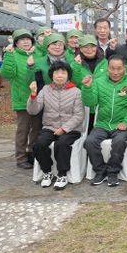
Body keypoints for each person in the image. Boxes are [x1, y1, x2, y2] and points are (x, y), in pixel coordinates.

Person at [81, 54, 127, 187]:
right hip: (102, 124)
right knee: (90, 142)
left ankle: (113, 172)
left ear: (125, 68)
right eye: (112, 68)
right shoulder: (99, 82)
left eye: (119, 68)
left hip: (122, 125)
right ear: (107, 67)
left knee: (119, 142)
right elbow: (90, 102)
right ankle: (100, 170)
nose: (115, 72)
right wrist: (87, 88)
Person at [27, 61, 84, 190]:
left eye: (63, 72)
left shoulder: (76, 91)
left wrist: (64, 129)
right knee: (39, 144)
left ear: (68, 75)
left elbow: (79, 116)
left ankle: (62, 174)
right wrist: (33, 95)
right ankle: (47, 171)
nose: (59, 75)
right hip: (50, 127)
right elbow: (33, 111)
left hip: (71, 129)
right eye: (56, 72)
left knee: (62, 144)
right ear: (51, 75)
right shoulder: (45, 90)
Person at [0, 29, 41, 169]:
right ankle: (21, 157)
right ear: (16, 43)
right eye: (22, 40)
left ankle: (32, 153)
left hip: (37, 99)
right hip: (22, 99)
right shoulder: (13, 55)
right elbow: (7, 73)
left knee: (36, 129)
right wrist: (8, 54)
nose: (26, 42)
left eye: (28, 39)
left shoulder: (36, 54)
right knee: (23, 130)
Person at [70, 35, 108, 131]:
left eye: (92, 46)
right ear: (80, 48)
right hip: (83, 105)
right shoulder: (75, 64)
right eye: (85, 47)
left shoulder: (105, 62)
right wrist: (77, 66)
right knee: (85, 132)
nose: (89, 50)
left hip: (102, 105)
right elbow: (74, 82)